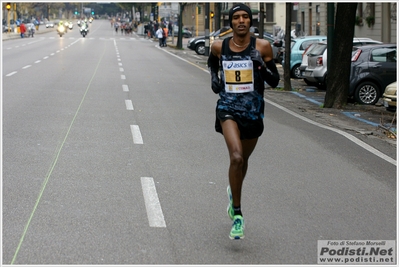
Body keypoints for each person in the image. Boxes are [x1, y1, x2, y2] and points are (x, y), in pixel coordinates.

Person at [207, 3, 280, 240]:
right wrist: (214, 79)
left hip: (253, 110)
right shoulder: (220, 46)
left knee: (243, 160)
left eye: (245, 17)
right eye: (236, 17)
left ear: (251, 21)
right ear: (231, 23)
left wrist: (260, 65)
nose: (241, 21)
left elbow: (275, 81)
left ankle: (233, 190)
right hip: (228, 108)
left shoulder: (263, 46)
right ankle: (237, 214)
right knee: (236, 156)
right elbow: (212, 63)